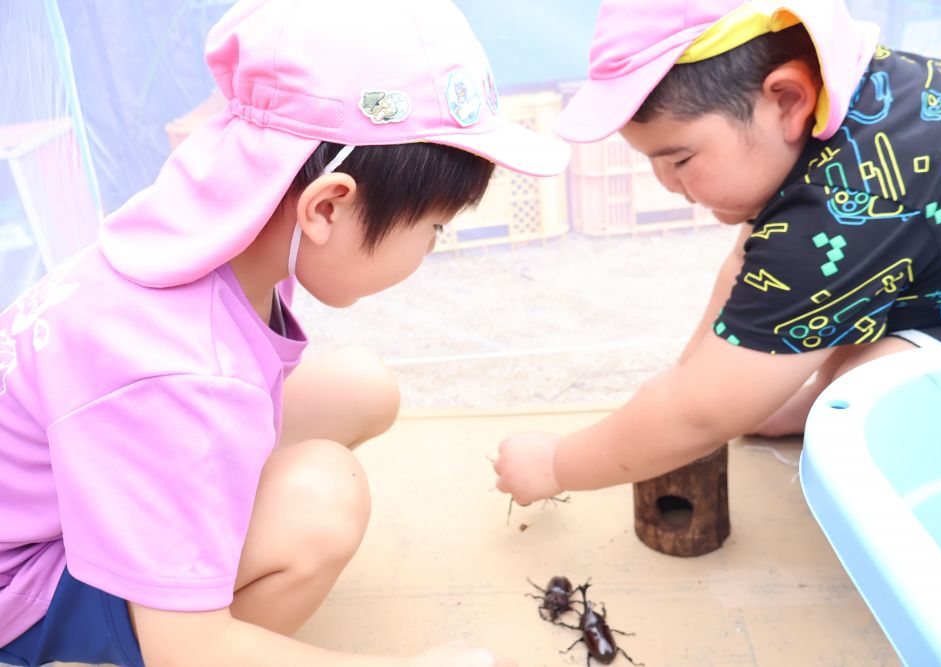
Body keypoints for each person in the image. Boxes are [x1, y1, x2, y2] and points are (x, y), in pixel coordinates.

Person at [0, 1, 568, 665]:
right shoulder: (177, 365)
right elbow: (186, 645)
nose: (431, 247)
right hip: (26, 588)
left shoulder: (226, 221)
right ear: (327, 205)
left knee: (363, 387)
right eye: (434, 228)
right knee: (324, 498)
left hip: (82, 482)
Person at [492, 0, 941, 504]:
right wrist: (690, 376)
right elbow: (747, 270)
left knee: (875, 396)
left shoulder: (849, 208)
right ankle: (802, 401)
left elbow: (702, 414)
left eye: (680, 159)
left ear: (787, 99)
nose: (667, 184)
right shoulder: (855, 95)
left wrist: (557, 464)